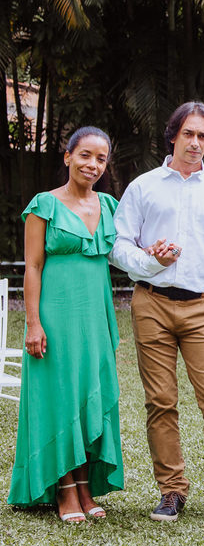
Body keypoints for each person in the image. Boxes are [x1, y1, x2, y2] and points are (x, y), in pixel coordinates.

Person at [111, 101, 204, 525]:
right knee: (160, 401)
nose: (195, 143)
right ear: (172, 135)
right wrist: (152, 261)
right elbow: (119, 247)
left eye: (203, 136)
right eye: (188, 133)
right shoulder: (143, 186)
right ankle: (171, 491)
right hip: (151, 302)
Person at [9, 128, 125, 522]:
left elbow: (130, 254)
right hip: (56, 316)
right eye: (85, 156)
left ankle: (85, 485)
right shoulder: (44, 205)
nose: (93, 165)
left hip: (96, 316)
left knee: (88, 391)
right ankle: (64, 488)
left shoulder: (109, 205)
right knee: (60, 396)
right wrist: (33, 324)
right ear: (67, 157)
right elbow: (34, 267)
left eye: (101, 159)